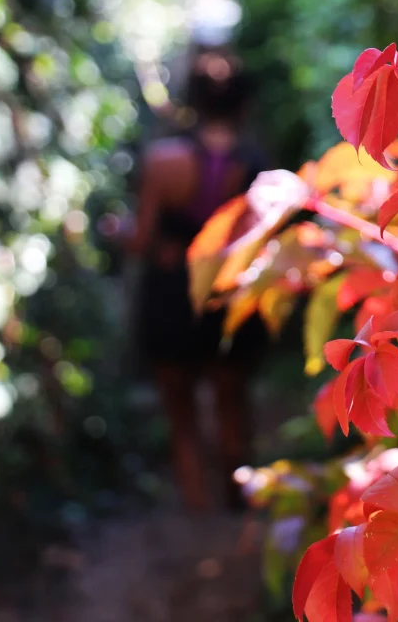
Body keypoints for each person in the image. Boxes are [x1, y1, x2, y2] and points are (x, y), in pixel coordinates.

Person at [124, 48, 267, 511]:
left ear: (194, 101)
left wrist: (118, 232)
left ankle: (195, 506)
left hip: (170, 295)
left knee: (180, 409)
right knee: (231, 399)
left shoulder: (162, 160)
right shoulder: (257, 167)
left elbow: (140, 239)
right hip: (229, 295)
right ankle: (235, 497)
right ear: (243, 103)